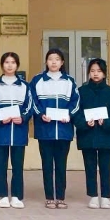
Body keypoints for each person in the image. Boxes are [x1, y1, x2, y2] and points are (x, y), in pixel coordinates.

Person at [30, 48, 80, 209]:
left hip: (64, 131)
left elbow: (76, 102)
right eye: (50, 59)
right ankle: (49, 197)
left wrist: (69, 114)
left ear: (62, 62)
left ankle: (61, 197)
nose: (53, 62)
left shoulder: (69, 81)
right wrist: (41, 114)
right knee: (47, 165)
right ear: (46, 62)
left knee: (61, 165)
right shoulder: (38, 80)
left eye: (57, 59)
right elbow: (32, 101)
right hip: (45, 130)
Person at [73, 58, 110, 210]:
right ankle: (93, 196)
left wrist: (106, 122)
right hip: (87, 136)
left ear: (104, 73)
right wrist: (85, 123)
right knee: (89, 167)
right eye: (93, 71)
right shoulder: (81, 92)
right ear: (89, 73)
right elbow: (75, 113)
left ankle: (106, 196)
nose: (96, 74)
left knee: (105, 168)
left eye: (99, 71)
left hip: (105, 136)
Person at [0, 52, 33, 209]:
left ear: (17, 65)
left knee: (18, 166)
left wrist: (23, 118)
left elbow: (29, 106)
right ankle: (2, 195)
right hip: (0, 132)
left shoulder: (25, 86)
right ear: (2, 65)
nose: (10, 65)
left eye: (13, 62)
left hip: (18, 132)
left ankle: (17, 196)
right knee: (0, 165)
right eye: (7, 62)